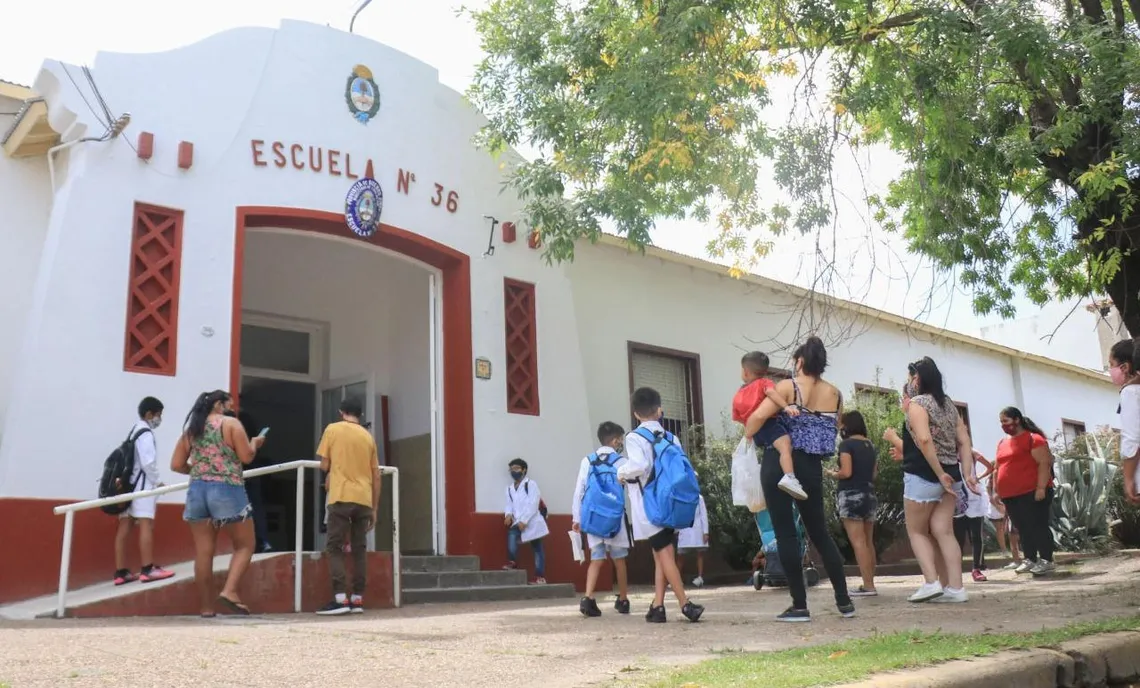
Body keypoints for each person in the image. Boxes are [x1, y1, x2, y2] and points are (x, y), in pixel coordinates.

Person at [743, 336, 854, 622]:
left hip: (779, 462)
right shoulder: (836, 394)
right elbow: (834, 427)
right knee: (819, 532)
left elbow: (756, 420)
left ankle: (800, 606)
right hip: (811, 466)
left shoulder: (787, 387)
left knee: (785, 534)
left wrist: (750, 428)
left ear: (800, 361)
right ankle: (844, 601)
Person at [170, 390, 264, 617]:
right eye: (229, 404)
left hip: (197, 490)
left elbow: (176, 464)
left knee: (204, 552)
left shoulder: (193, 429)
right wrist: (255, 443)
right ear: (219, 404)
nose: (232, 409)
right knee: (245, 545)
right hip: (227, 488)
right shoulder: (231, 424)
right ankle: (230, 591)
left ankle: (206, 608)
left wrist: (201, 470)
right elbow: (246, 457)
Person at [895, 357, 978, 603]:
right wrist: (967, 473)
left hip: (924, 475)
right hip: (953, 475)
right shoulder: (949, 405)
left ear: (917, 378)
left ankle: (931, 582)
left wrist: (939, 472)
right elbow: (964, 441)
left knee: (917, 531)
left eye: (910, 377)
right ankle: (956, 588)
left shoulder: (917, 404)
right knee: (944, 531)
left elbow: (924, 440)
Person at [619, 387, 704, 623]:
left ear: (636, 414)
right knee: (661, 554)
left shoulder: (634, 437)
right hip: (672, 501)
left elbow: (639, 466)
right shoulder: (671, 437)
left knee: (664, 554)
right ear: (659, 411)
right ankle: (657, 606)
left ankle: (685, 604)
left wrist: (621, 472)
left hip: (649, 505)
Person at [315, 397, 382, 615]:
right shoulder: (368, 437)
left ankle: (340, 599)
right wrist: (375, 508)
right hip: (364, 498)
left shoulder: (332, 429)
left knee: (334, 547)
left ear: (341, 412)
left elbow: (324, 464)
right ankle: (357, 598)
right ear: (360, 415)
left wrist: (333, 471)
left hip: (341, 496)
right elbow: (376, 475)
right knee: (359, 548)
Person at [113, 396, 176, 586]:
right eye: (159, 415)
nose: (159, 419)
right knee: (146, 524)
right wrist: (157, 482)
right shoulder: (146, 433)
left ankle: (121, 572)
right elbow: (148, 463)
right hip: (142, 487)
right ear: (149, 414)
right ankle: (148, 569)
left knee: (124, 527)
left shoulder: (134, 431)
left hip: (128, 486)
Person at [572, 422, 632, 617]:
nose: (621, 443)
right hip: (615, 519)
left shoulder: (587, 461)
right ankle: (623, 599)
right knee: (619, 560)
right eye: (620, 440)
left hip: (593, 517)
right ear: (614, 441)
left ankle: (588, 598)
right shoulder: (622, 462)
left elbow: (579, 491)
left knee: (596, 559)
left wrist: (577, 517)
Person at [992, 407, 1056, 576]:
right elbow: (997, 468)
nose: (1003, 425)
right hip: (1010, 494)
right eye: (1001, 422)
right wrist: (996, 490)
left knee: (1038, 525)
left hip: (1032, 491)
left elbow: (1044, 463)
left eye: (1006, 421)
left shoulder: (1034, 439)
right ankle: (1029, 558)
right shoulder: (1002, 443)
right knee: (1022, 527)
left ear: (1017, 420)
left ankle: (1047, 560)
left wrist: (1041, 488)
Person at [734, 351, 805, 499]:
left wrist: (749, 431)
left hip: (755, 433)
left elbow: (737, 415)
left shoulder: (740, 392)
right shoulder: (764, 383)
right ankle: (789, 477)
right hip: (769, 424)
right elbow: (772, 393)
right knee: (785, 446)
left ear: (745, 372)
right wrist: (786, 407)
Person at [826, 410, 878, 597]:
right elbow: (874, 474)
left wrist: (832, 473)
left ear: (848, 425)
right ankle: (870, 582)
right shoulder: (870, 445)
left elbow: (846, 472)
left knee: (858, 542)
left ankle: (868, 586)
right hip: (869, 494)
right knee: (868, 542)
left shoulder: (846, 445)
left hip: (850, 495)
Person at [503, 458, 549, 584]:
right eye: (511, 469)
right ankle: (512, 562)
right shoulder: (509, 489)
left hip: (532, 521)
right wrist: (508, 515)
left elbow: (533, 503)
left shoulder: (531, 484)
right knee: (512, 534)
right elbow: (509, 504)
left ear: (524, 470)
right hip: (518, 521)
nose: (514, 471)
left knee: (537, 548)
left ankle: (540, 577)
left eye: (516, 468)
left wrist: (524, 520)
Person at [1110, 339, 1140, 507]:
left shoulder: (1130, 393)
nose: (1110, 370)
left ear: (1125, 367)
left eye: (1111, 364)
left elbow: (1132, 439)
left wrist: (1128, 478)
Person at [956, 451, 994, 582]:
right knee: (958, 538)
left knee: (976, 536)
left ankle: (976, 568)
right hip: (957, 497)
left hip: (974, 497)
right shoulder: (948, 451)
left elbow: (990, 467)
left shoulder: (971, 452)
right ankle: (955, 570)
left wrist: (978, 477)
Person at [676, 488, 709, 588]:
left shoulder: (699, 498)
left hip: (698, 529)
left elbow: (703, 515)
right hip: (684, 529)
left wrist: (706, 532)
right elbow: (678, 514)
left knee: (700, 554)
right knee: (680, 555)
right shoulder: (680, 496)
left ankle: (700, 577)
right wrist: (676, 530)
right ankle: (677, 579)